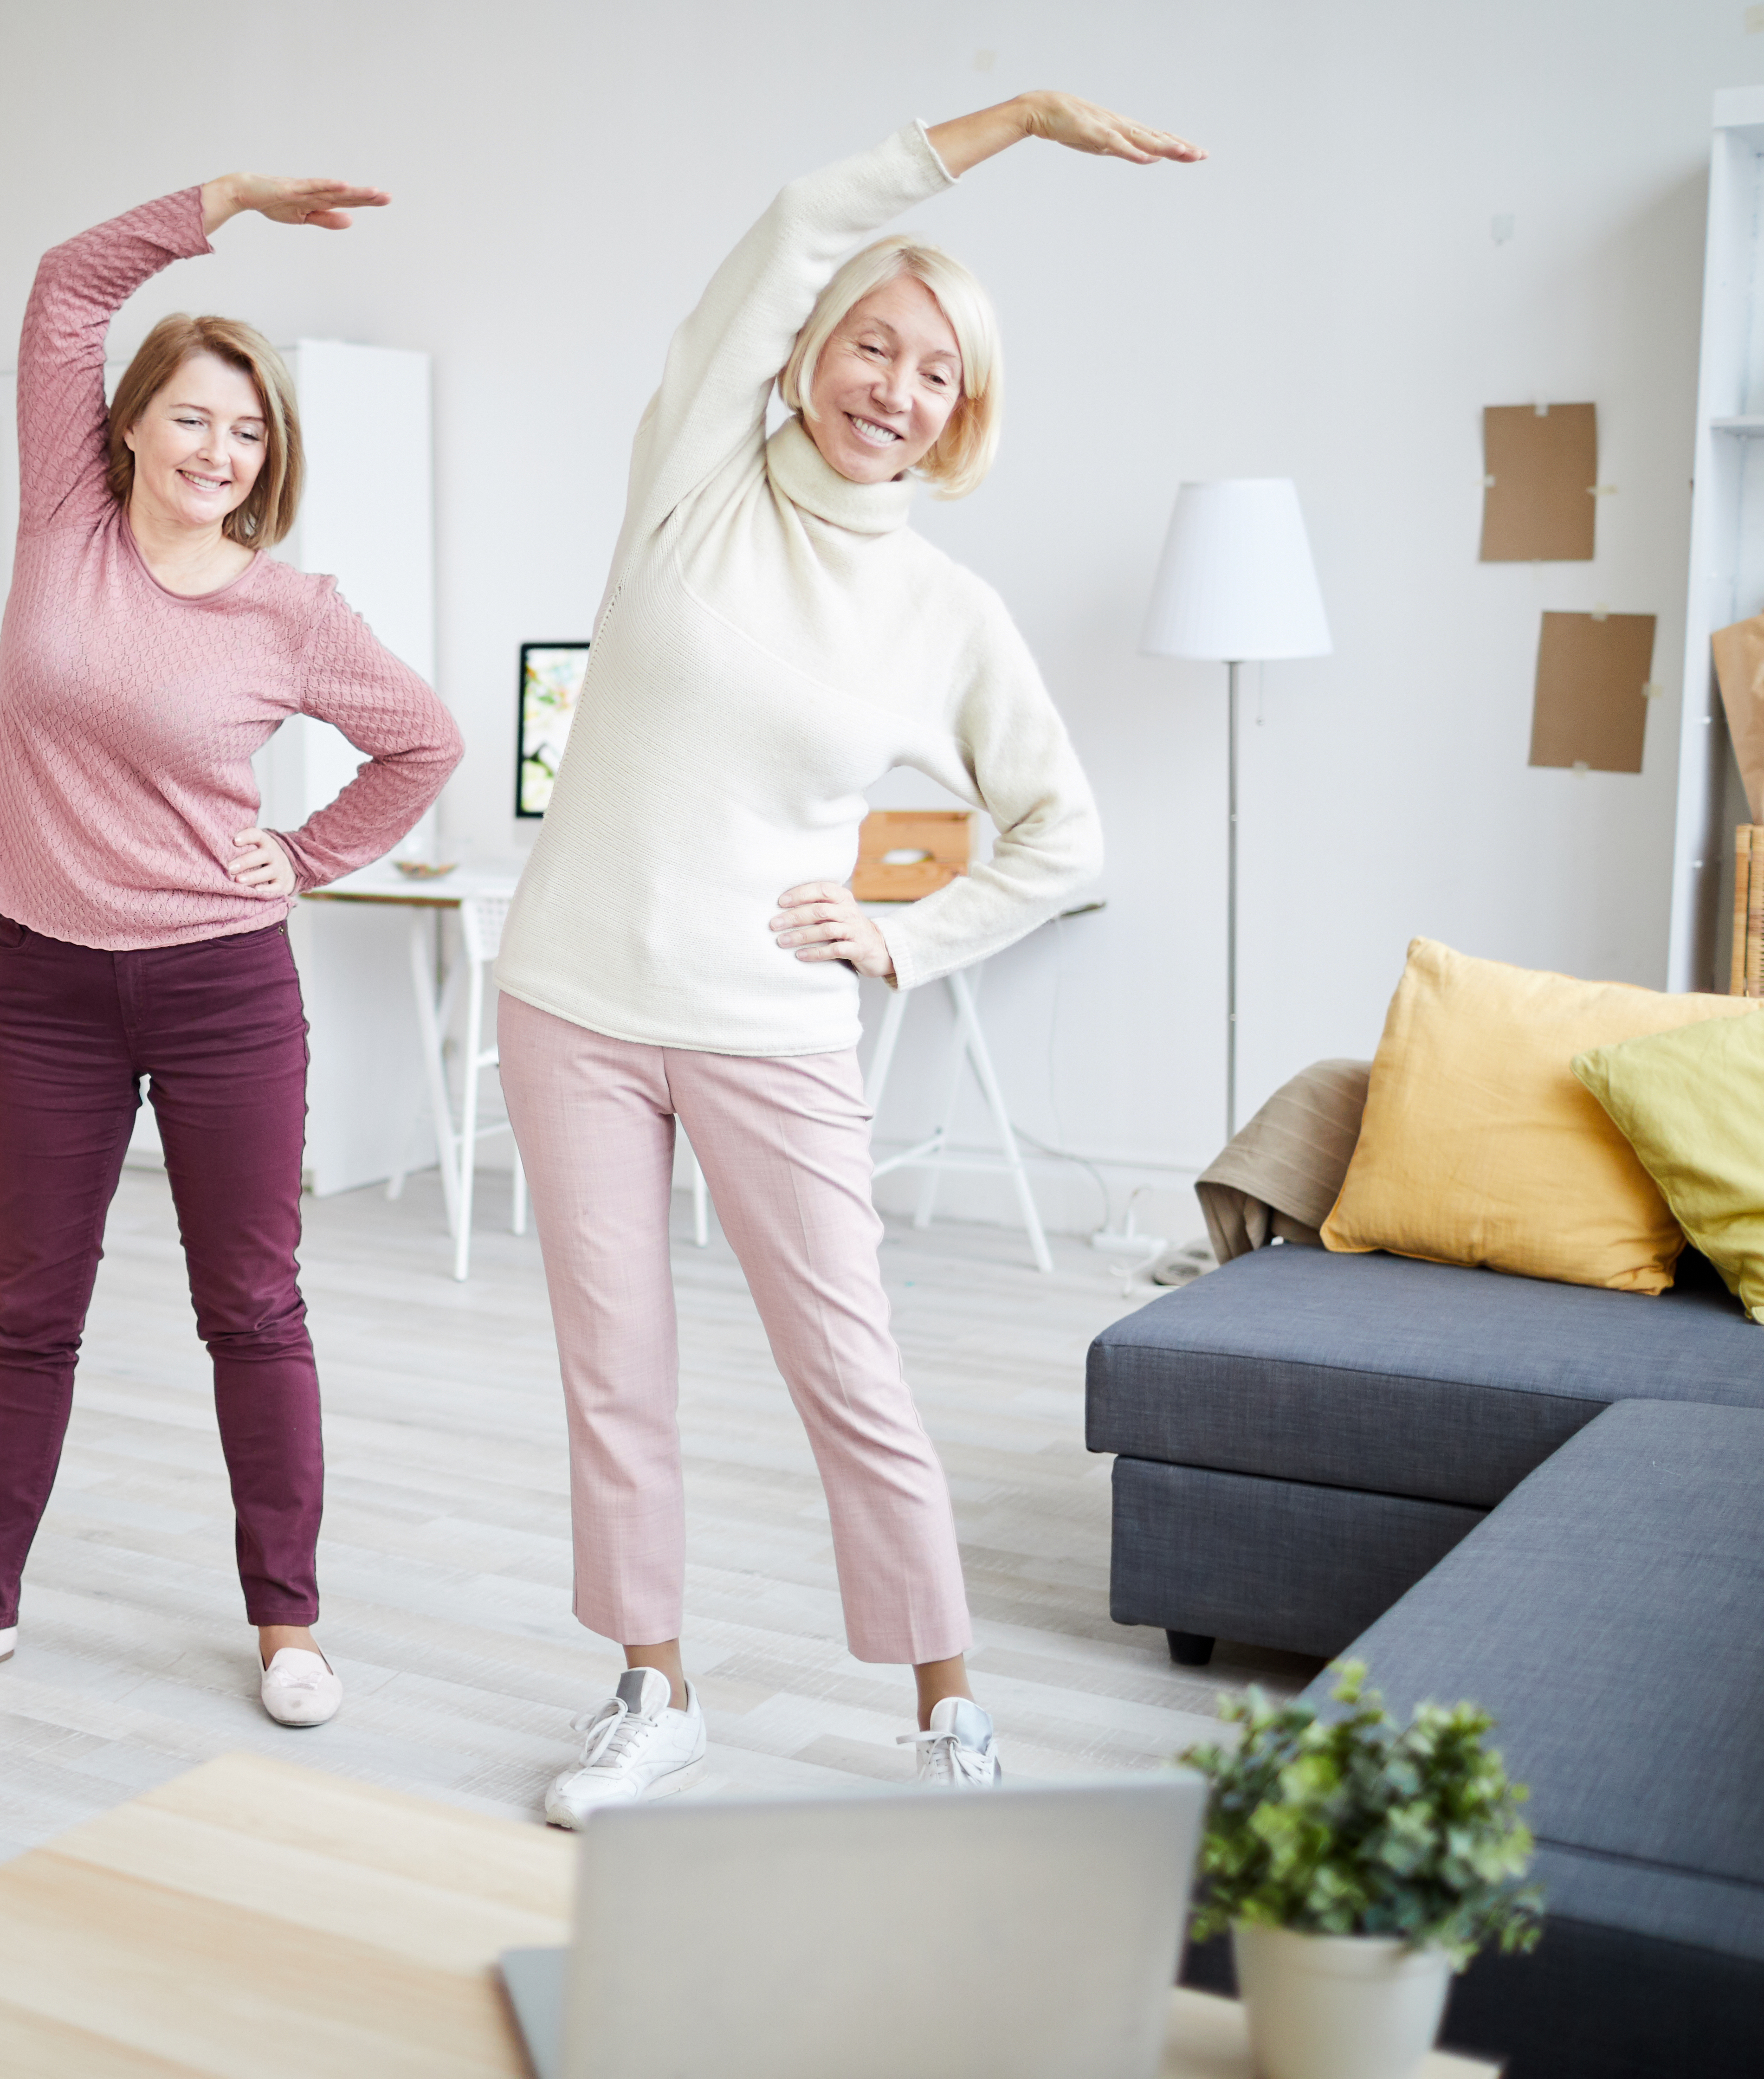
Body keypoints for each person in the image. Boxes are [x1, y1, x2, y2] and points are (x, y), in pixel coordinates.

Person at [491, 93, 1200, 1825]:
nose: (892, 383)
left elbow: (1064, 835)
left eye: (934, 371)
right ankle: (653, 1689)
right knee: (616, 1372)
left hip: (766, 1026)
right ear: (806, 349)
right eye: (869, 343)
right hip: (570, 999)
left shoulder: (947, 612)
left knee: (851, 1377)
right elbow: (808, 211)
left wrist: (900, 936)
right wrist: (1019, 120)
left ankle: (945, 1708)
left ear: (965, 416)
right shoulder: (692, 478)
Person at [0, 174, 463, 1727]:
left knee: (252, 1309)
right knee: (27, 1311)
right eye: (194, 419)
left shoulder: (293, 610)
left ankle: (288, 1624)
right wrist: (227, 202)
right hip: (48, 983)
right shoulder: (62, 523)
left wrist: (311, 854)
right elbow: (68, 286)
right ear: (129, 427)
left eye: (249, 432)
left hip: (222, 993)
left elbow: (423, 744)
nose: (220, 452)